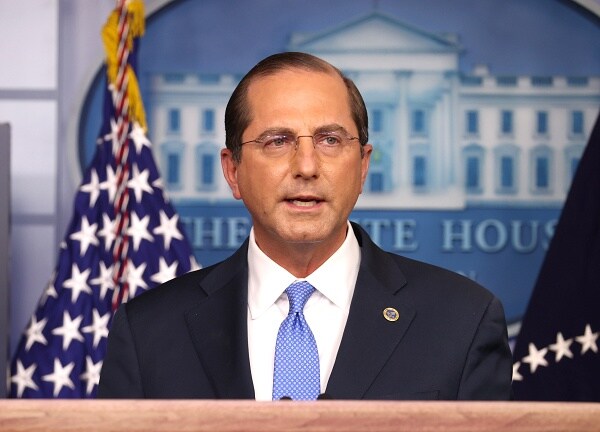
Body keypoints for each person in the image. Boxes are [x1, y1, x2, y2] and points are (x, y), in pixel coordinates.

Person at [98, 52, 512, 400]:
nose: (307, 167)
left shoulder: (462, 322)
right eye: (277, 141)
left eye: (330, 140)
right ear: (233, 171)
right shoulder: (148, 332)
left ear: (363, 166)